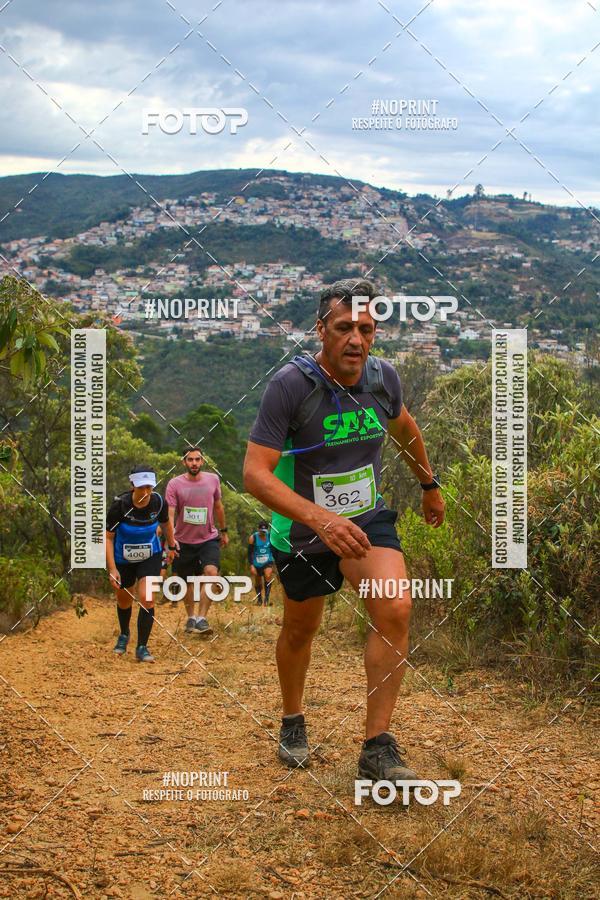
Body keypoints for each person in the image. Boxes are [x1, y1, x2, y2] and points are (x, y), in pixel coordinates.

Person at [243, 279, 445, 781]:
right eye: (344, 328)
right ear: (321, 330)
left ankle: (377, 748)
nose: (356, 339)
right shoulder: (290, 386)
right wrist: (320, 518)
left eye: (366, 328)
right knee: (300, 628)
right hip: (304, 528)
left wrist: (428, 483)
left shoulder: (382, 379)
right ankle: (293, 718)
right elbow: (255, 473)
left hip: (365, 519)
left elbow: (404, 427)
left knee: (395, 605)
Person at [106, 465, 175, 662]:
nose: (145, 492)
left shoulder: (159, 502)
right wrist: (112, 569)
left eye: (149, 487)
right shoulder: (120, 505)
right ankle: (124, 634)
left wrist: (171, 546)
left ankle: (142, 647)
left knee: (147, 598)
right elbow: (108, 538)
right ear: (132, 486)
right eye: (141, 487)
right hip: (123, 558)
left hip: (150, 555)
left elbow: (166, 525)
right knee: (124, 600)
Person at [165, 447, 229, 635]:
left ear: (202, 461)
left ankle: (202, 618)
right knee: (186, 582)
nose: (194, 463)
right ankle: (191, 617)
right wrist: (171, 540)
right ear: (184, 462)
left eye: (198, 459)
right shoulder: (174, 484)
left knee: (211, 573)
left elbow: (218, 506)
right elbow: (169, 513)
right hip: (183, 541)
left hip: (208, 538)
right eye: (190, 459)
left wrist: (224, 531)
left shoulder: (213, 480)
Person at [248, 521, 275, 606]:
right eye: (261, 531)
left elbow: (274, 550)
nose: (263, 533)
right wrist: (251, 565)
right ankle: (259, 599)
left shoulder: (270, 537)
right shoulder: (253, 538)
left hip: (268, 560)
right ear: (258, 529)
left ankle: (266, 599)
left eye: (264, 531)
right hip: (256, 562)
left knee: (268, 575)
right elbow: (249, 553)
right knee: (258, 580)